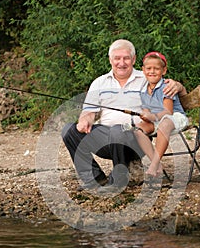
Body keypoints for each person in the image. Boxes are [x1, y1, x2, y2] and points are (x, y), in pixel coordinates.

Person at [62, 39, 187, 192]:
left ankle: (118, 181)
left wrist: (178, 86)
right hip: (105, 139)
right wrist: (84, 120)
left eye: (126, 58)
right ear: (110, 60)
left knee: (117, 129)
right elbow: (89, 112)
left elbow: (170, 89)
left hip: (133, 140)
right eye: (117, 58)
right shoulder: (99, 83)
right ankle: (93, 179)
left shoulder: (146, 78)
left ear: (133, 60)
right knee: (69, 129)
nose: (121, 63)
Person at [130, 51, 189, 178]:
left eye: (156, 68)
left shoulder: (166, 86)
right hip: (158, 119)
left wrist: (153, 117)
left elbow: (168, 111)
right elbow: (147, 110)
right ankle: (156, 163)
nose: (152, 71)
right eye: (149, 68)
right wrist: (145, 115)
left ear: (164, 70)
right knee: (138, 130)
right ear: (143, 70)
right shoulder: (144, 89)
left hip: (175, 118)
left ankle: (154, 164)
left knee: (165, 123)